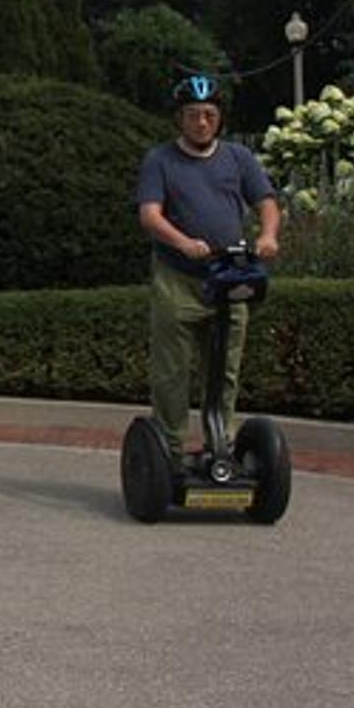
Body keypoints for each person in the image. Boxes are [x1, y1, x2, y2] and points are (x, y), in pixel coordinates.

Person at [134, 73, 282, 468]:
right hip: (177, 278)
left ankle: (223, 445)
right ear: (179, 118)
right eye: (193, 115)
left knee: (225, 369)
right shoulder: (160, 160)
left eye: (209, 115)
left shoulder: (239, 158)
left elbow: (266, 202)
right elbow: (150, 215)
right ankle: (170, 453)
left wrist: (268, 236)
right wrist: (182, 241)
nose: (201, 122)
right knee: (172, 373)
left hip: (228, 276)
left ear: (220, 119)